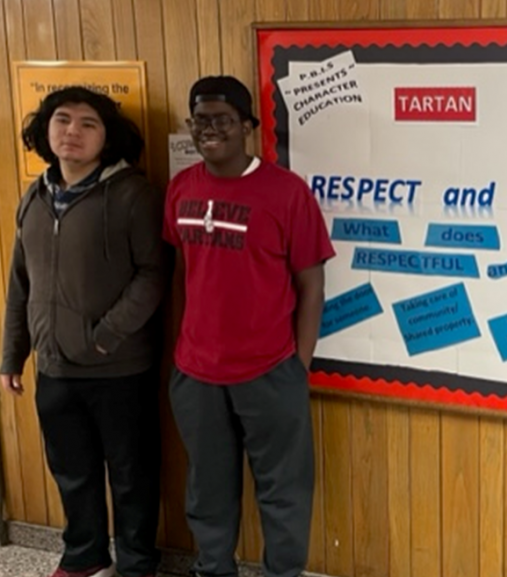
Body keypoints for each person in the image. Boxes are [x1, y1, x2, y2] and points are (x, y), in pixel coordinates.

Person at [163, 75, 335, 577]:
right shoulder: (181, 188)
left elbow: (312, 287)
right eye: (199, 120)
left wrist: (295, 368)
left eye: (220, 119)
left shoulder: (287, 193)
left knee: (284, 489)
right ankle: (213, 568)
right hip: (196, 375)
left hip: (270, 371)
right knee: (207, 488)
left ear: (247, 126)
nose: (208, 129)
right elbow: (181, 275)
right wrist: (184, 351)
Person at [0, 87, 164, 577]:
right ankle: (85, 557)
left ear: (106, 137)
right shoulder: (34, 196)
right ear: (45, 130)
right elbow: (19, 282)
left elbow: (154, 274)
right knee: (72, 472)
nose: (72, 131)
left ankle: (136, 565)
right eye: (62, 120)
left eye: (87, 123)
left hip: (118, 368)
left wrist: (104, 336)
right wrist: (12, 354)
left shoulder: (134, 194)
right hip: (54, 368)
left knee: (132, 475)